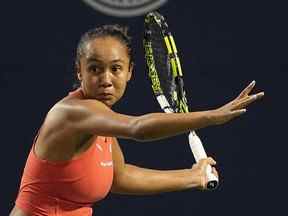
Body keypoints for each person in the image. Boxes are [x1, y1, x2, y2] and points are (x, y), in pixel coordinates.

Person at [9, 25, 264, 216]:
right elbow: (137, 128)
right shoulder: (72, 113)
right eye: (95, 69)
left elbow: (119, 177)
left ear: (130, 72)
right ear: (79, 71)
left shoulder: (101, 120)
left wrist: (192, 177)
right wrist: (211, 117)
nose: (106, 79)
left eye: (116, 68)